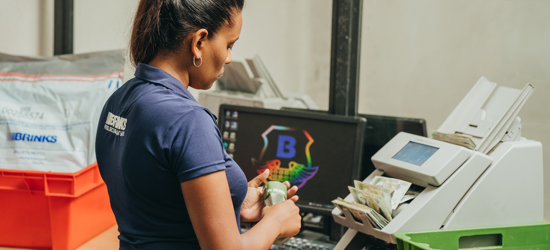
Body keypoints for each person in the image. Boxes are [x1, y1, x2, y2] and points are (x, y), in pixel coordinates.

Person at [95, 0, 302, 249]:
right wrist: (275, 223)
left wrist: (235, 202)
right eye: (228, 45)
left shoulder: (119, 101)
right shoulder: (189, 121)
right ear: (199, 43)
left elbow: (157, 202)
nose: (228, 58)